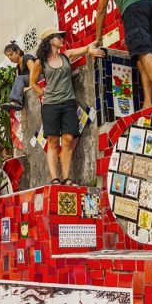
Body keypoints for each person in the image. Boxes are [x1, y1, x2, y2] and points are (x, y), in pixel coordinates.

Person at [29, 27, 104, 186]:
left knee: (68, 139)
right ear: (50, 40)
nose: (62, 39)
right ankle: (55, 178)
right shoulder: (39, 62)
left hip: (69, 103)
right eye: (58, 37)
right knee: (53, 141)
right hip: (50, 105)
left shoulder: (66, 55)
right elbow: (32, 83)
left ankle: (66, 177)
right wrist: (42, 93)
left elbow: (85, 48)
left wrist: (92, 48)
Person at [0, 41, 37, 112]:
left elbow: (33, 70)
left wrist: (30, 86)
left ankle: (16, 102)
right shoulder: (17, 68)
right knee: (18, 80)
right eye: (8, 56)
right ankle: (16, 103)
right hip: (30, 80)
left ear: (17, 52)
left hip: (39, 77)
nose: (10, 57)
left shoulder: (26, 57)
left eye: (11, 54)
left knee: (19, 78)